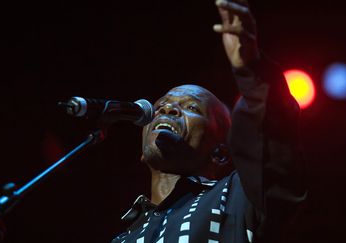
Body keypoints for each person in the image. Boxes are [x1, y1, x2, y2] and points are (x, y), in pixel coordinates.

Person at [112, 0, 307, 242]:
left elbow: (275, 154)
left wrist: (251, 68)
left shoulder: (238, 196)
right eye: (161, 106)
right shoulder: (123, 238)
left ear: (221, 152)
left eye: (191, 107)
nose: (168, 109)